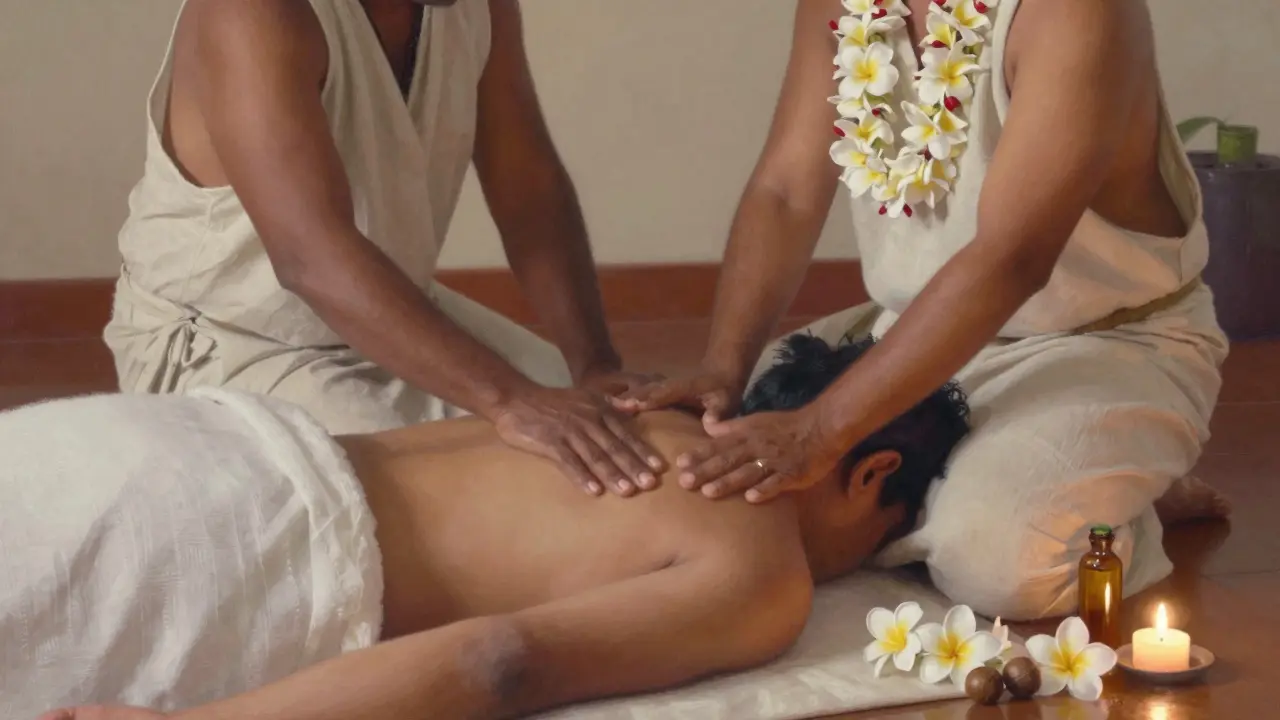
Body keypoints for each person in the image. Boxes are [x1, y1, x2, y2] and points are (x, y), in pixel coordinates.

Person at [617, 0, 1231, 620]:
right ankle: (989, 489)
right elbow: (785, 190)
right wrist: (724, 369)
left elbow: (1011, 258)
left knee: (997, 563)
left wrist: (821, 430)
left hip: (1107, 344)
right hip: (909, 331)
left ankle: (1125, 500)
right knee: (723, 443)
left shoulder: (1075, 12)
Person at [11, 335, 971, 720]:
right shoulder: (764, 570)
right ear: (872, 472)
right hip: (235, 555)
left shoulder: (646, 417)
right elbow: (499, 663)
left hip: (185, 440)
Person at [102, 0, 663, 496]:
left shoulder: (480, 7)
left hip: (387, 307)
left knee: (625, 430)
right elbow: (309, 257)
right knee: (477, 491)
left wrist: (592, 364)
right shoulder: (253, 12)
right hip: (235, 337)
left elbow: (528, 188)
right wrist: (510, 400)